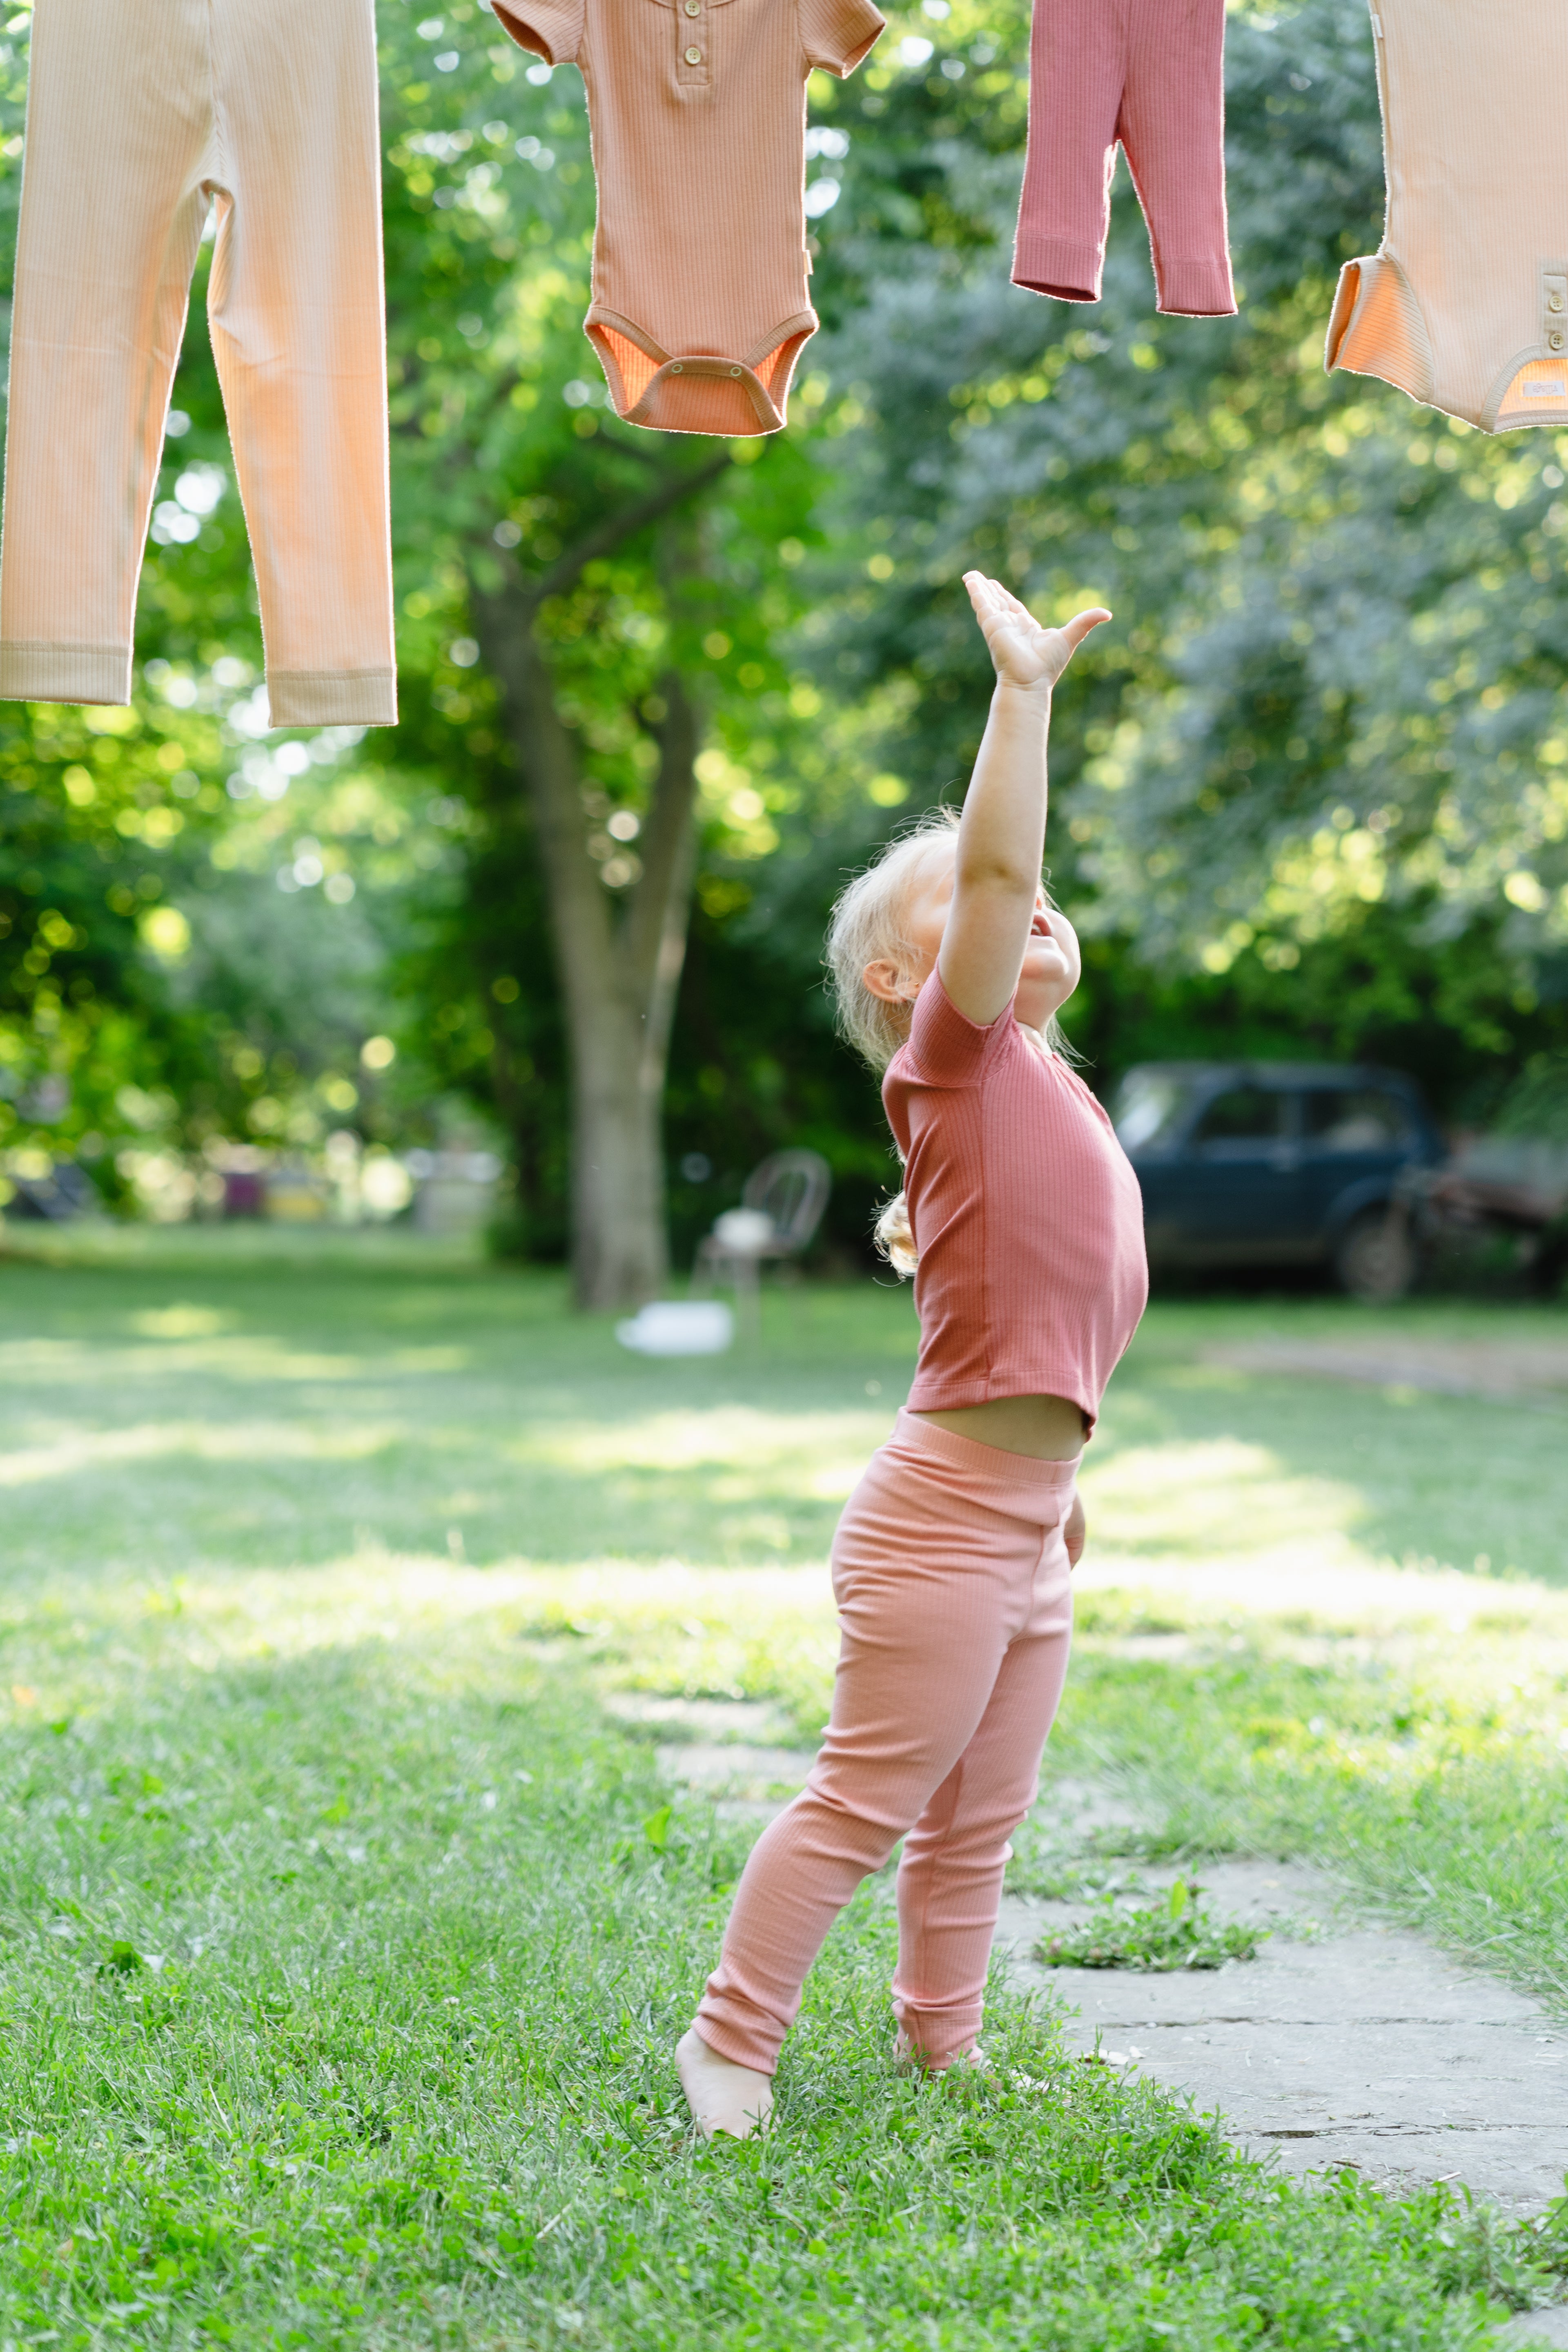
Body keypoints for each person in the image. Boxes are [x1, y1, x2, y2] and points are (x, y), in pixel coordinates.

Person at [677, 572, 1148, 2137]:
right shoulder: (956, 1065)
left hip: (1029, 1522)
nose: (1029, 904)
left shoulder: (1052, 1092)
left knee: (981, 1823)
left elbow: (1054, 1316)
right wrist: (1023, 697)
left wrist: (1064, 1486)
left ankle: (942, 2040)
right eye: (978, 905)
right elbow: (1006, 859)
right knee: (870, 1801)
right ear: (906, 982)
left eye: (1024, 898)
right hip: (942, 1521)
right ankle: (730, 2042)